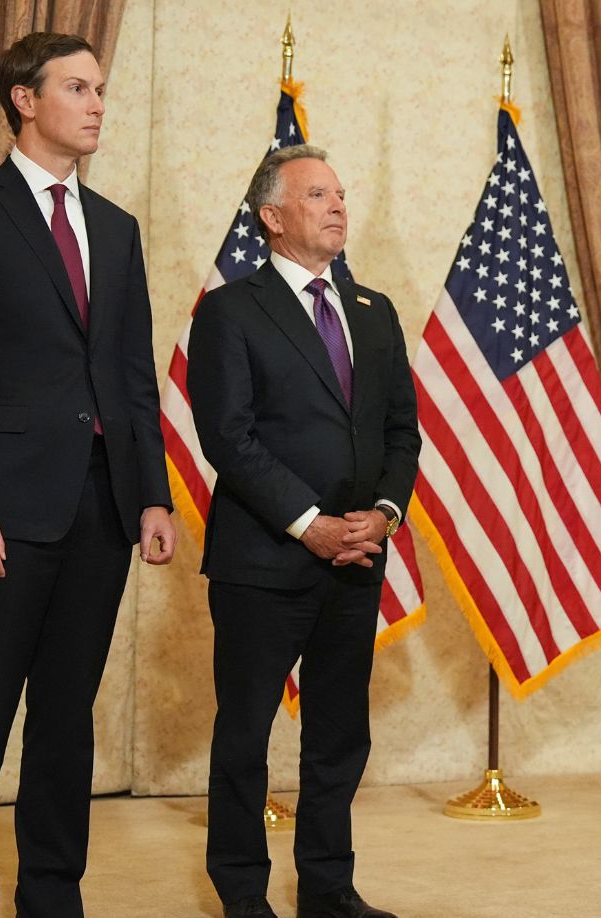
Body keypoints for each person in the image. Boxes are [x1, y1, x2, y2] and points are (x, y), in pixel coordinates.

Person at [0, 31, 176, 918]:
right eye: (77, 88)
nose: (98, 103)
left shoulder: (117, 228)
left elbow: (132, 377)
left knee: (66, 721)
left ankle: (53, 897)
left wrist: (150, 495)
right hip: (0, 511)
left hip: (101, 509)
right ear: (24, 101)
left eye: (99, 88)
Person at [187, 144, 419, 918]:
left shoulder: (373, 310)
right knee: (244, 736)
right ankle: (243, 896)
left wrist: (383, 514)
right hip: (262, 562)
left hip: (356, 560)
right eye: (317, 194)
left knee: (339, 737)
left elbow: (401, 432)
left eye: (341, 194)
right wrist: (308, 523)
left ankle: (328, 888)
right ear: (273, 216)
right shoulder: (230, 311)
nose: (337, 205)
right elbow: (228, 437)